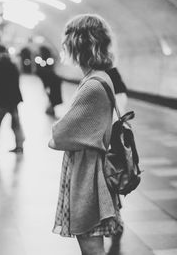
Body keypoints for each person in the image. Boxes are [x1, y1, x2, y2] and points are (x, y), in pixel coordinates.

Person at [48, 14, 123, 255]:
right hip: (90, 171)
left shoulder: (92, 85)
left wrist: (60, 133)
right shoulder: (98, 77)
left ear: (78, 44)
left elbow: (58, 136)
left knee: (91, 248)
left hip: (88, 177)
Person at [36, 45, 62, 116]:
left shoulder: (46, 60)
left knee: (51, 95)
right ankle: (51, 108)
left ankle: (51, 108)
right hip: (51, 79)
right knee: (51, 95)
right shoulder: (43, 59)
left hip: (51, 80)